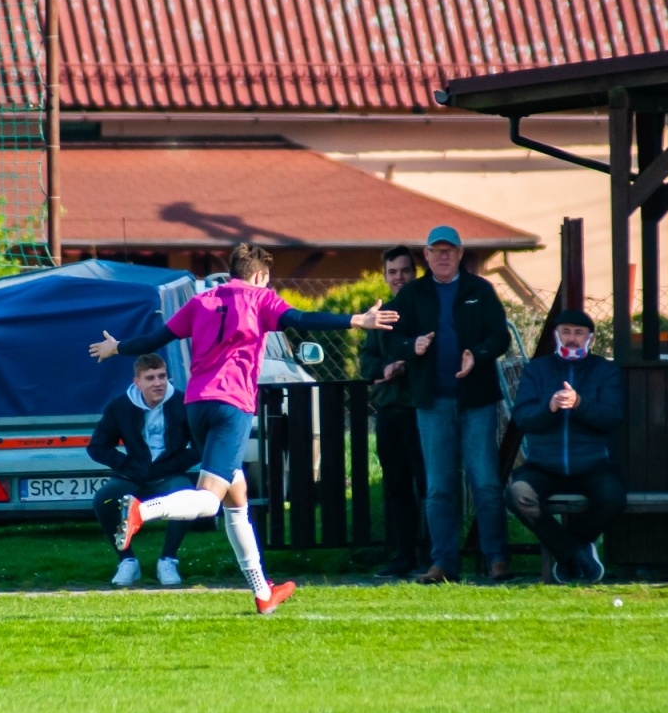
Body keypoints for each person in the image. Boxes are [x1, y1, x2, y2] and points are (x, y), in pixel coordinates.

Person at [89, 242, 398, 614]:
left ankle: (262, 591)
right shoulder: (261, 299)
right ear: (261, 276)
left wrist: (118, 347)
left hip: (196, 405)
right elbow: (299, 320)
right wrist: (355, 320)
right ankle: (142, 511)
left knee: (237, 500)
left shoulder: (201, 301)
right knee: (208, 500)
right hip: (231, 406)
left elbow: (155, 340)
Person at [383, 225, 512, 584]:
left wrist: (479, 355)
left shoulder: (480, 290)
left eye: (449, 250)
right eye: (436, 250)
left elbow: (499, 337)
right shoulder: (412, 295)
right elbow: (393, 341)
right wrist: (413, 348)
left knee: (485, 482)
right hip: (432, 403)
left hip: (477, 402)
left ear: (459, 254)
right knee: (439, 487)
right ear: (426, 255)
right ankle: (443, 563)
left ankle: (496, 558)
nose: (442, 256)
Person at [505, 310, 625, 583]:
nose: (572, 339)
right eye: (566, 332)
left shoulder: (606, 370)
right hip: (544, 465)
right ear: (556, 335)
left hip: (593, 464)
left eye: (579, 333)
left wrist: (580, 404)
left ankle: (571, 549)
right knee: (517, 494)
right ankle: (577, 556)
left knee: (613, 496)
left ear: (590, 338)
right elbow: (522, 417)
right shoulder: (537, 369)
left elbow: (612, 418)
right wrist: (549, 407)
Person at [88, 354, 201, 587]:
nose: (158, 383)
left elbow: (202, 443)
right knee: (103, 499)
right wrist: (127, 465)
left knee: (187, 496)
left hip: (169, 474)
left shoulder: (183, 403)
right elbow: (97, 447)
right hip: (133, 475)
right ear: (137, 382)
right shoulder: (120, 406)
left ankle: (168, 560)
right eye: (150, 378)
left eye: (162, 376)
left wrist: (177, 463)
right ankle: (127, 561)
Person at [357, 245, 428, 577]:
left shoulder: (427, 309)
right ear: (385, 277)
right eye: (393, 272)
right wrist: (387, 368)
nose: (399, 277)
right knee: (396, 486)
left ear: (416, 273)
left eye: (405, 271)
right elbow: (366, 362)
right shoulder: (380, 315)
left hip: (422, 410)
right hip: (390, 411)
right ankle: (402, 556)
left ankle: (432, 554)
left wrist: (410, 363)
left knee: (430, 484)